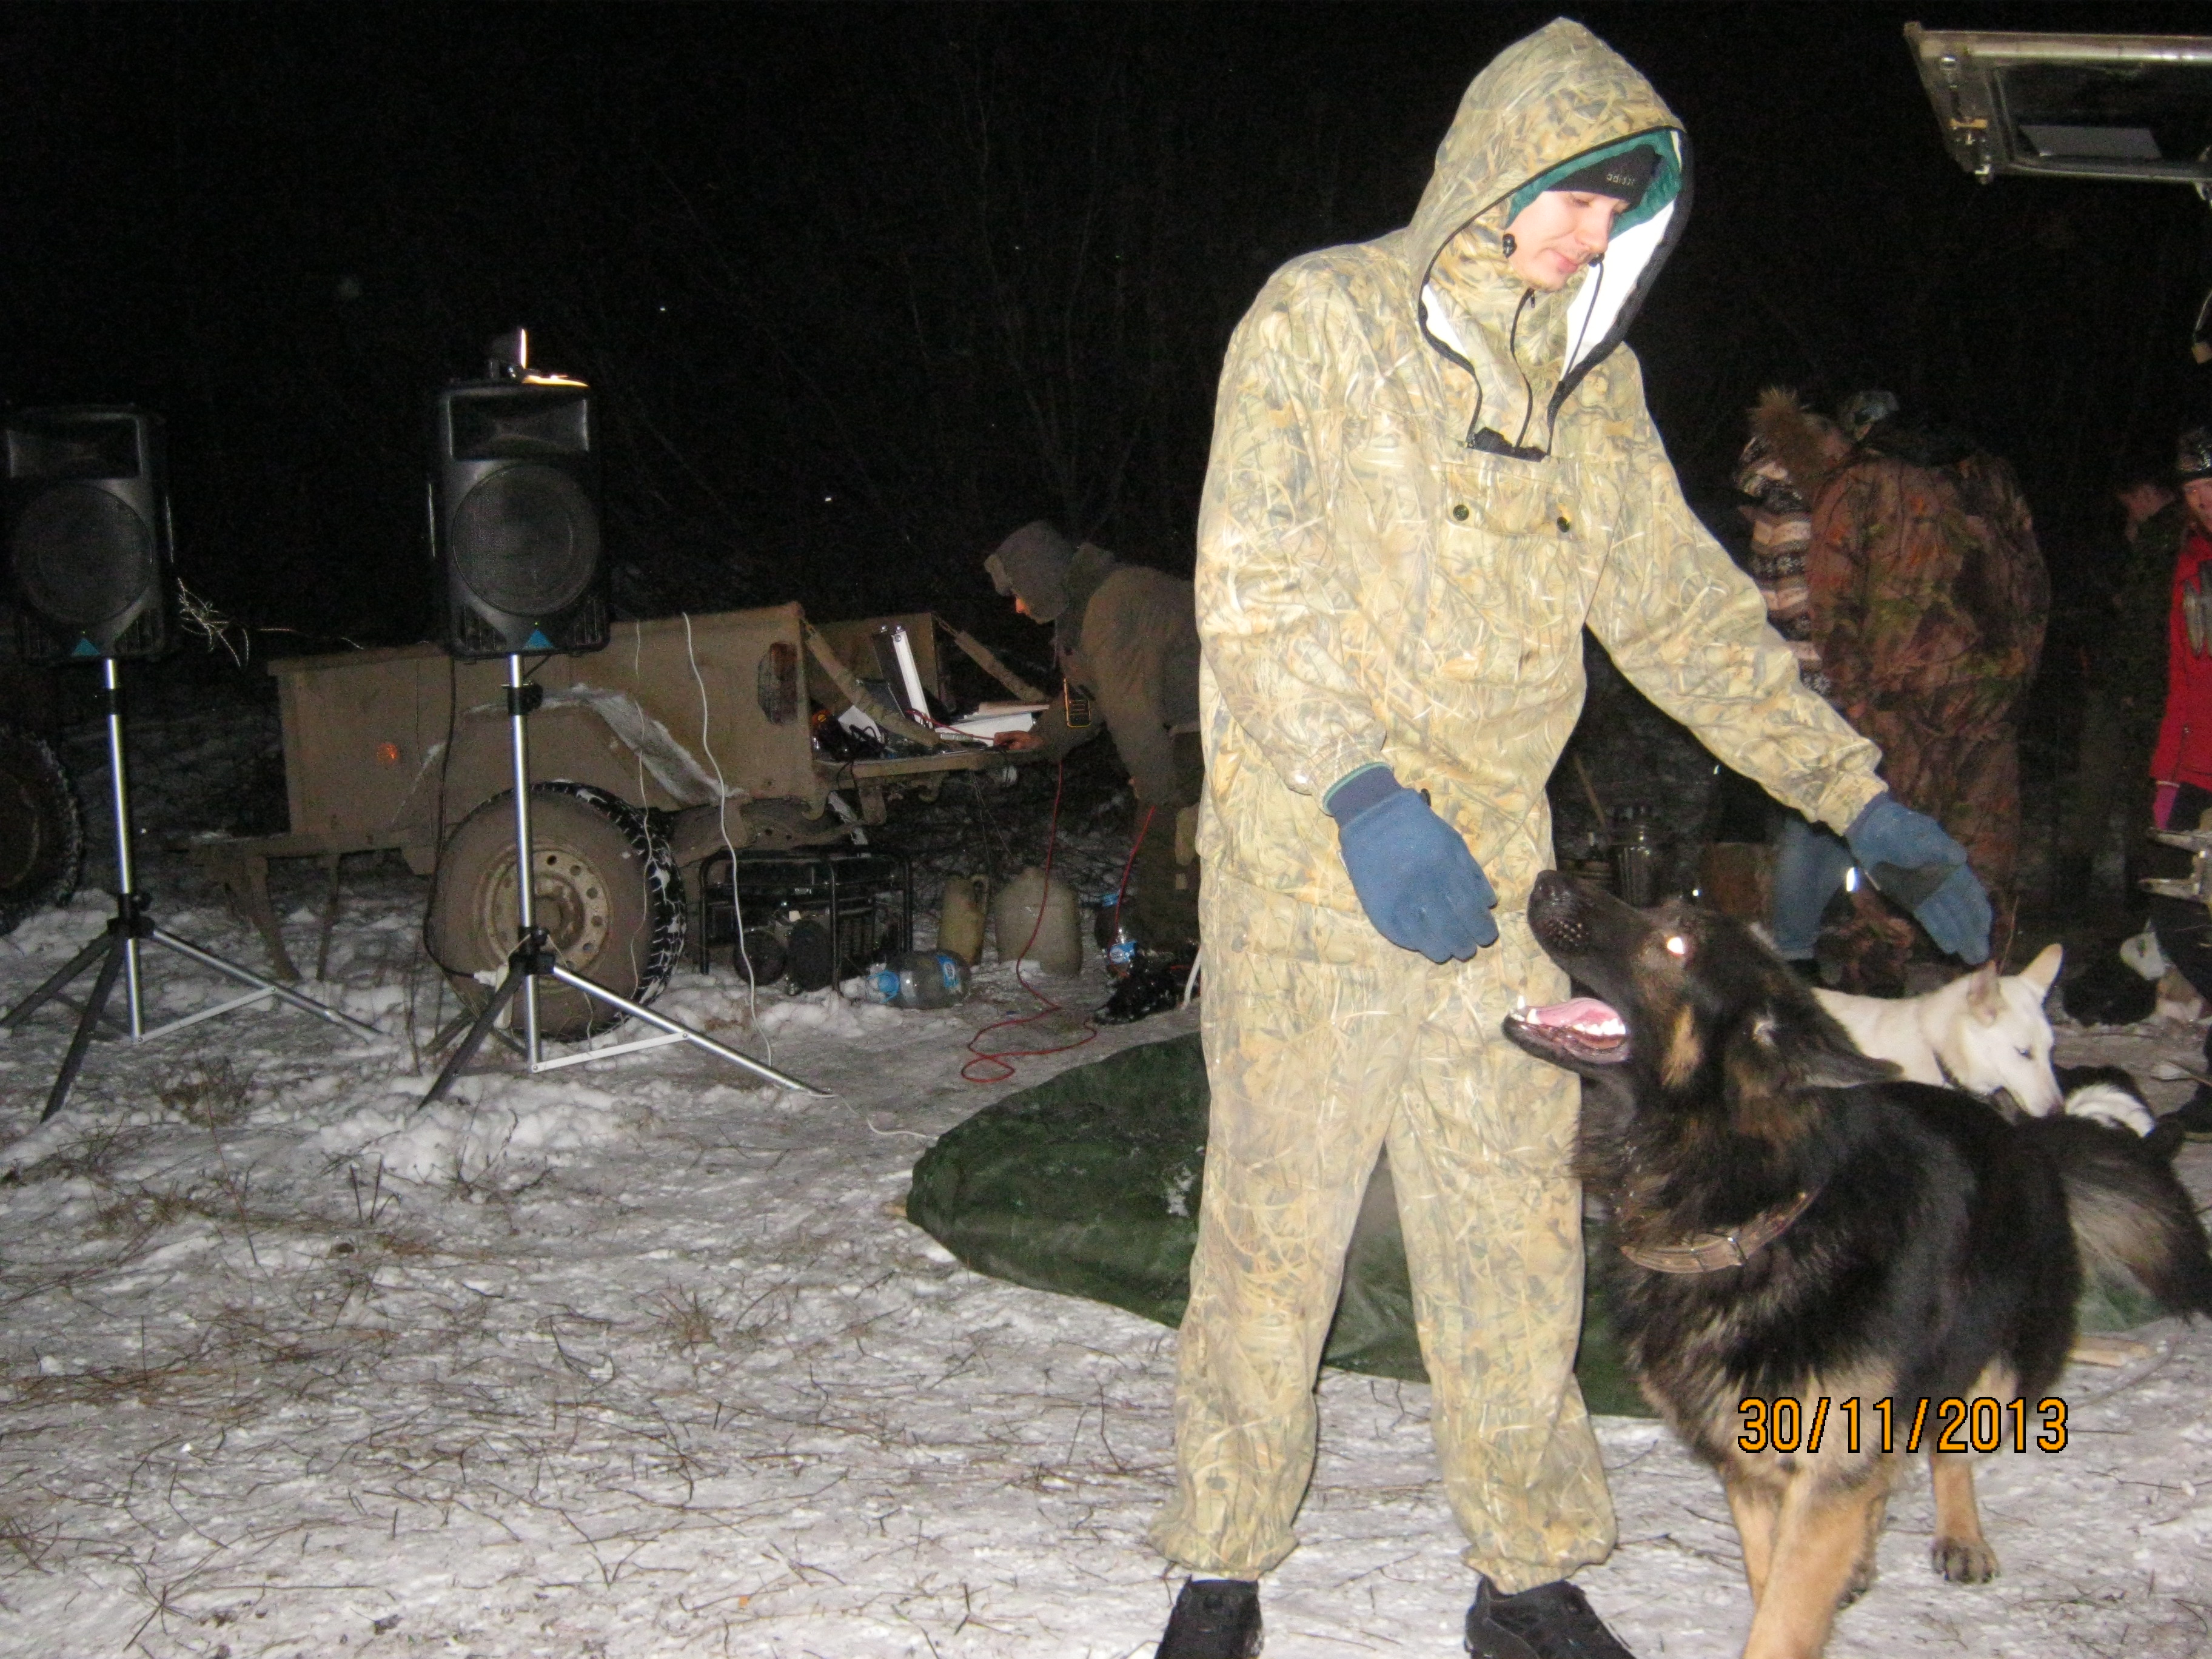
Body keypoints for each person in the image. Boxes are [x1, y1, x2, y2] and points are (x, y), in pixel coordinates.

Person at [1152, 21, 1991, 1659]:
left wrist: (1856, 794)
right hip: (1314, 862)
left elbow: (1684, 614)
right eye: (1577, 198)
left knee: (1514, 1226)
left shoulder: (1590, 395)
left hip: (1497, 881)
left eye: (1624, 212)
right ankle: (1222, 1565)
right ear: (1495, 173)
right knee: (1273, 1229)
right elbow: (1252, 590)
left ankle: (1525, 1572)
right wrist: (1363, 797)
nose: (1595, 236)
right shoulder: (1320, 320)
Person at [1738, 387, 2046, 991]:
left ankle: (1883, 994)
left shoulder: (1859, 483)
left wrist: (1856, 696)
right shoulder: (1989, 476)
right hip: (1983, 695)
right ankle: (1987, 994)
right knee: (1980, 853)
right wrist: (2016, 672)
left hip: (1897, 704)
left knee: (1892, 855)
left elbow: (1831, 597)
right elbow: (2030, 583)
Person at [983, 520, 1203, 1021]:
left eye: (1019, 594)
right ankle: (1180, 953)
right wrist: (1046, 737)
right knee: (1168, 829)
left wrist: (1157, 787)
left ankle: (1170, 964)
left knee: (1166, 836)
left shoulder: (1113, 604)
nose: (1018, 608)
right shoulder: (1082, 611)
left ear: (1039, 577)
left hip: (1218, 721)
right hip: (1190, 726)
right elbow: (1088, 696)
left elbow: (1131, 710)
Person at [2054, 467, 2187, 910]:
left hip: (2145, 687)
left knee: (2139, 787)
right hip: (2120, 680)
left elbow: (2148, 621)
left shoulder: (2170, 537)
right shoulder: (2139, 538)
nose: (2127, 511)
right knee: (2110, 783)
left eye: (2129, 500)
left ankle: (2132, 889)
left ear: (2146, 491)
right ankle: (2099, 886)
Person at [2145, 427, 2212, 1134]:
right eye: (2194, 489)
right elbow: (2184, 676)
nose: (2205, 499)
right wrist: (2167, 774)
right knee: (2181, 916)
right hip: (2196, 767)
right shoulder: (2191, 561)